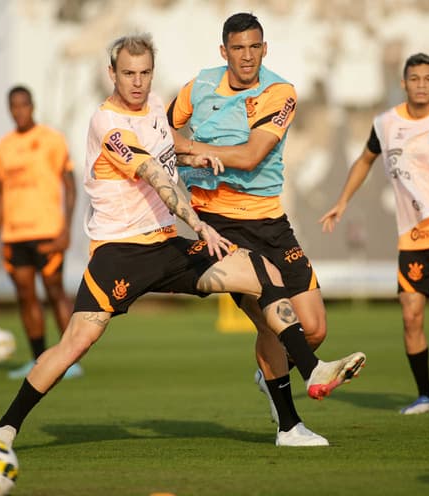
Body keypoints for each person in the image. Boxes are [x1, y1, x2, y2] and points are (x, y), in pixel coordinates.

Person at [0, 33, 366, 448]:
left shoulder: (153, 108)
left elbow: (166, 153)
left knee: (263, 271)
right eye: (128, 73)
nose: (137, 82)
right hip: (121, 254)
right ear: (111, 73)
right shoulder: (106, 122)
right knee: (75, 343)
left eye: (145, 73)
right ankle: (5, 428)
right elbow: (154, 174)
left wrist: (195, 156)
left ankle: (299, 404)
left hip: (166, 246)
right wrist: (199, 224)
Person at [167, 13, 328, 445]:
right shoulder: (198, 87)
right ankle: (289, 425)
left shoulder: (280, 92)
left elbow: (253, 155)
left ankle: (269, 377)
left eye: (254, 47)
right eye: (238, 48)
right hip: (219, 223)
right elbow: (161, 134)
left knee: (312, 329)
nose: (246, 57)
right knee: (273, 323)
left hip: (270, 221)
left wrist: (193, 150)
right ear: (224, 52)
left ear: (265, 49)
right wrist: (179, 154)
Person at [321, 52, 429, 415]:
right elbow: (364, 160)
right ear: (403, 84)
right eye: (415, 79)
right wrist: (343, 201)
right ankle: (425, 396)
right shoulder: (386, 123)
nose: (421, 85)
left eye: (428, 79)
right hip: (414, 238)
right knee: (411, 316)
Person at [0, 86, 82, 380]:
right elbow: (1, 192)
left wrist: (66, 228)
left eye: (24, 105)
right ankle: (39, 360)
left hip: (48, 231)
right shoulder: (3, 146)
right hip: (14, 235)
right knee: (26, 297)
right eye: (13, 106)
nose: (19, 111)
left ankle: (69, 360)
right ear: (9, 109)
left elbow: (70, 185)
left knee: (55, 292)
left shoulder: (51, 140)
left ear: (32, 106)